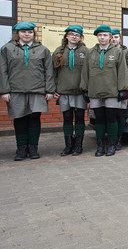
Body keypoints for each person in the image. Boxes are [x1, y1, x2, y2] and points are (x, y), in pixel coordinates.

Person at [0, 21, 55, 161]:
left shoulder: (42, 50)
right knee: (20, 119)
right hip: (16, 90)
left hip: (37, 90)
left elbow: (49, 71)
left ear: (33, 34)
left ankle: (33, 148)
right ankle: (21, 149)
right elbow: (3, 71)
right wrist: (4, 91)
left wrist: (49, 90)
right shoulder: (7, 49)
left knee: (34, 119)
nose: (27, 34)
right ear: (17, 33)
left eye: (30, 32)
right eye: (23, 32)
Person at [80, 24, 128, 157]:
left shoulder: (118, 52)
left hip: (112, 91)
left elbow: (123, 72)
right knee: (99, 119)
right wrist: (85, 89)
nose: (102, 38)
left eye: (105, 35)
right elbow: (85, 72)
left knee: (112, 118)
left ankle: (112, 145)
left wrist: (122, 89)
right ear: (97, 37)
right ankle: (100, 145)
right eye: (100, 35)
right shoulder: (90, 52)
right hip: (95, 91)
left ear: (109, 37)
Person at [52, 24, 89, 156]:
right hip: (64, 92)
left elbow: (89, 73)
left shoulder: (86, 51)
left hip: (79, 91)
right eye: (72, 34)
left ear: (80, 37)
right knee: (67, 118)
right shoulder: (58, 51)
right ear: (67, 36)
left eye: (77, 35)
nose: (74, 37)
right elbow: (53, 72)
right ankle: (68, 145)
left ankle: (78, 145)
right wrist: (53, 89)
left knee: (79, 118)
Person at [110, 28, 128, 151]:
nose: (113, 39)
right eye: (112, 37)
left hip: (122, 88)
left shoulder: (126, 52)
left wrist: (126, 88)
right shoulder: (105, 52)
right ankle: (111, 139)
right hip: (108, 88)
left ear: (120, 39)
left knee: (119, 114)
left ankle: (119, 139)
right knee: (109, 115)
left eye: (116, 37)